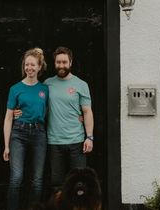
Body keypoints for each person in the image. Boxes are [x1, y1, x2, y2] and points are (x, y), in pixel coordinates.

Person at [3, 47, 49, 210]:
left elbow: (50, 112)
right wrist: (7, 145)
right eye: (27, 65)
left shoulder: (45, 89)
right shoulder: (15, 89)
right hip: (19, 133)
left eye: (33, 65)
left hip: (39, 133)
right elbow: (8, 118)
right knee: (16, 177)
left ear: (39, 67)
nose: (29, 68)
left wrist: (78, 116)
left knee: (37, 180)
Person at [45, 46, 94, 192]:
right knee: (57, 184)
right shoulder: (47, 83)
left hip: (77, 141)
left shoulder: (81, 84)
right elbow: (38, 105)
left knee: (80, 183)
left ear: (70, 62)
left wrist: (89, 137)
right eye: (58, 62)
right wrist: (19, 111)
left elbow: (87, 111)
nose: (61, 65)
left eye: (64, 62)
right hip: (54, 141)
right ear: (54, 63)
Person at [31, 167, 102, 210]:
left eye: (84, 183)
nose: (80, 185)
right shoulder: (61, 200)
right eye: (76, 183)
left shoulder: (94, 203)